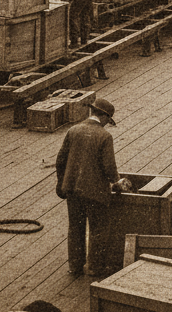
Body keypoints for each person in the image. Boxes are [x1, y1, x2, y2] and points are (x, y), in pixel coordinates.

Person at [55, 97, 129, 278]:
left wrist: (61, 184)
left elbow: (60, 160)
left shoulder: (73, 130)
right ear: (103, 117)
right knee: (98, 229)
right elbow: (109, 167)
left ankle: (75, 267)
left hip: (72, 189)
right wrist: (117, 182)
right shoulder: (104, 136)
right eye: (107, 121)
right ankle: (95, 268)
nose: (106, 124)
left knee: (75, 228)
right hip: (95, 192)